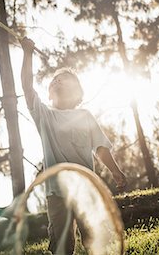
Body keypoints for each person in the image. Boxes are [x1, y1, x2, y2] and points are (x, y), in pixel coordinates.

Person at [20, 37, 127, 255]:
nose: (57, 81)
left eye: (65, 78)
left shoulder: (85, 116)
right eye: (54, 80)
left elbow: (100, 148)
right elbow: (27, 86)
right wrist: (28, 54)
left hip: (86, 189)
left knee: (93, 236)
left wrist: (115, 170)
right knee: (61, 243)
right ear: (49, 93)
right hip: (57, 194)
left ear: (78, 92)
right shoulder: (45, 116)